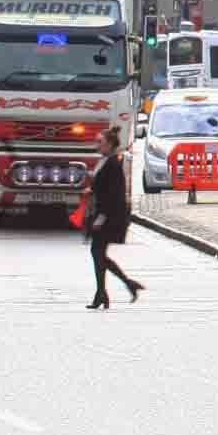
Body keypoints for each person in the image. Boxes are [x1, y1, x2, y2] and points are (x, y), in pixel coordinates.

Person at [85, 127, 142, 311]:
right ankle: (104, 292)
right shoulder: (105, 161)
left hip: (110, 216)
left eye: (100, 142)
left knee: (98, 253)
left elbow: (114, 194)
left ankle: (111, 290)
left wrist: (101, 217)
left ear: (109, 144)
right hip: (103, 213)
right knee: (98, 254)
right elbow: (102, 185)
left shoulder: (113, 163)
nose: (97, 145)